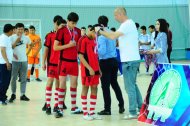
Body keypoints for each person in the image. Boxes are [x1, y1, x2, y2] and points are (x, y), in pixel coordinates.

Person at [95, 7, 143, 119]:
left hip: (128, 61)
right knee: (132, 85)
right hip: (125, 60)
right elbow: (114, 37)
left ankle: (132, 112)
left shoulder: (126, 24)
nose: (115, 18)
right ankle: (140, 107)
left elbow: (112, 36)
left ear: (121, 14)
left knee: (129, 87)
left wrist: (99, 31)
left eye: (115, 16)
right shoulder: (126, 25)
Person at [54, 12, 82, 118]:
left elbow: (78, 46)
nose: (73, 25)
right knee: (62, 84)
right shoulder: (61, 31)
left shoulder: (78, 31)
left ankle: (74, 107)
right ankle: (60, 108)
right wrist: (68, 45)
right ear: (67, 20)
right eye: (72, 23)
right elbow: (55, 47)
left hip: (74, 61)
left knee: (74, 84)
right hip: (63, 61)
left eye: (75, 23)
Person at [96, 16, 125, 116]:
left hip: (105, 63)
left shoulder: (101, 36)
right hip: (114, 61)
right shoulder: (112, 33)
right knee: (114, 84)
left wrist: (94, 50)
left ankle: (107, 109)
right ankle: (121, 104)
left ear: (100, 24)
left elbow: (102, 52)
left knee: (105, 86)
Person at [42, 16, 67, 115]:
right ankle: (48, 105)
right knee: (50, 82)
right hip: (52, 63)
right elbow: (46, 50)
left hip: (62, 63)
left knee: (59, 84)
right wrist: (43, 62)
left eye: (64, 26)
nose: (63, 27)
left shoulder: (65, 35)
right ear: (56, 24)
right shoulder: (50, 35)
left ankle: (57, 105)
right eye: (61, 25)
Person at [78, 25, 102, 121]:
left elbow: (95, 56)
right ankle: (85, 113)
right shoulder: (82, 40)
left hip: (95, 68)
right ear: (90, 30)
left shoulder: (94, 40)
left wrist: (98, 68)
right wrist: (89, 68)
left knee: (95, 88)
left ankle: (92, 112)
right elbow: (81, 56)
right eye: (95, 34)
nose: (96, 36)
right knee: (85, 88)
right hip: (87, 70)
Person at [9, 23, 32, 103]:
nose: (20, 31)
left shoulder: (26, 38)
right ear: (15, 29)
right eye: (18, 29)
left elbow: (30, 45)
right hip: (14, 61)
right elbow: (10, 48)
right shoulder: (11, 37)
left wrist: (27, 53)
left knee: (23, 79)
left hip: (24, 61)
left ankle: (22, 94)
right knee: (13, 79)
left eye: (22, 29)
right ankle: (13, 94)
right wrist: (16, 40)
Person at [0, 24, 14, 105]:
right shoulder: (3, 38)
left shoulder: (6, 38)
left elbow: (8, 49)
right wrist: (7, 62)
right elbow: (2, 50)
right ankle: (1, 99)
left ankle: (3, 96)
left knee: (6, 81)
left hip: (6, 62)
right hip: (4, 63)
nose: (13, 31)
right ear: (10, 30)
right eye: (12, 30)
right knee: (3, 81)